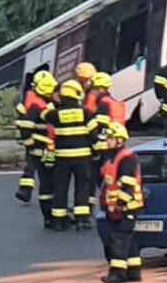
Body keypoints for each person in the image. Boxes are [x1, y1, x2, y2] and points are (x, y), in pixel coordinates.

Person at [43, 78, 97, 230]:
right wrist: (97, 152)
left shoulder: (55, 115)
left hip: (62, 158)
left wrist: (53, 102)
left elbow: (44, 115)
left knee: (60, 187)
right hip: (82, 158)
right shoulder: (85, 113)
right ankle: (82, 219)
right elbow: (94, 135)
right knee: (82, 187)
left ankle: (59, 220)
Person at [97, 122, 144, 283]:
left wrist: (119, 205)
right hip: (120, 206)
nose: (107, 141)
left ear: (119, 140)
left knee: (119, 239)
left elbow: (127, 184)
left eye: (110, 139)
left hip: (127, 206)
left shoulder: (126, 158)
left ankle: (116, 275)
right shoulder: (113, 157)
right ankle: (133, 272)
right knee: (128, 239)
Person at [14, 70, 55, 208]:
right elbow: (27, 124)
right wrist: (31, 143)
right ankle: (47, 196)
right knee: (45, 172)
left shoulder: (30, 99)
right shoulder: (37, 104)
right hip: (41, 142)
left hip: (35, 142)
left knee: (30, 168)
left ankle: (25, 191)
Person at [86, 72, 125, 204]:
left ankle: (89, 209)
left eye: (94, 89)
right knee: (109, 179)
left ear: (100, 88)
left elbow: (97, 126)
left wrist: (95, 147)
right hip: (115, 145)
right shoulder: (112, 102)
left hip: (102, 147)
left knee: (92, 179)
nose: (92, 92)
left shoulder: (102, 104)